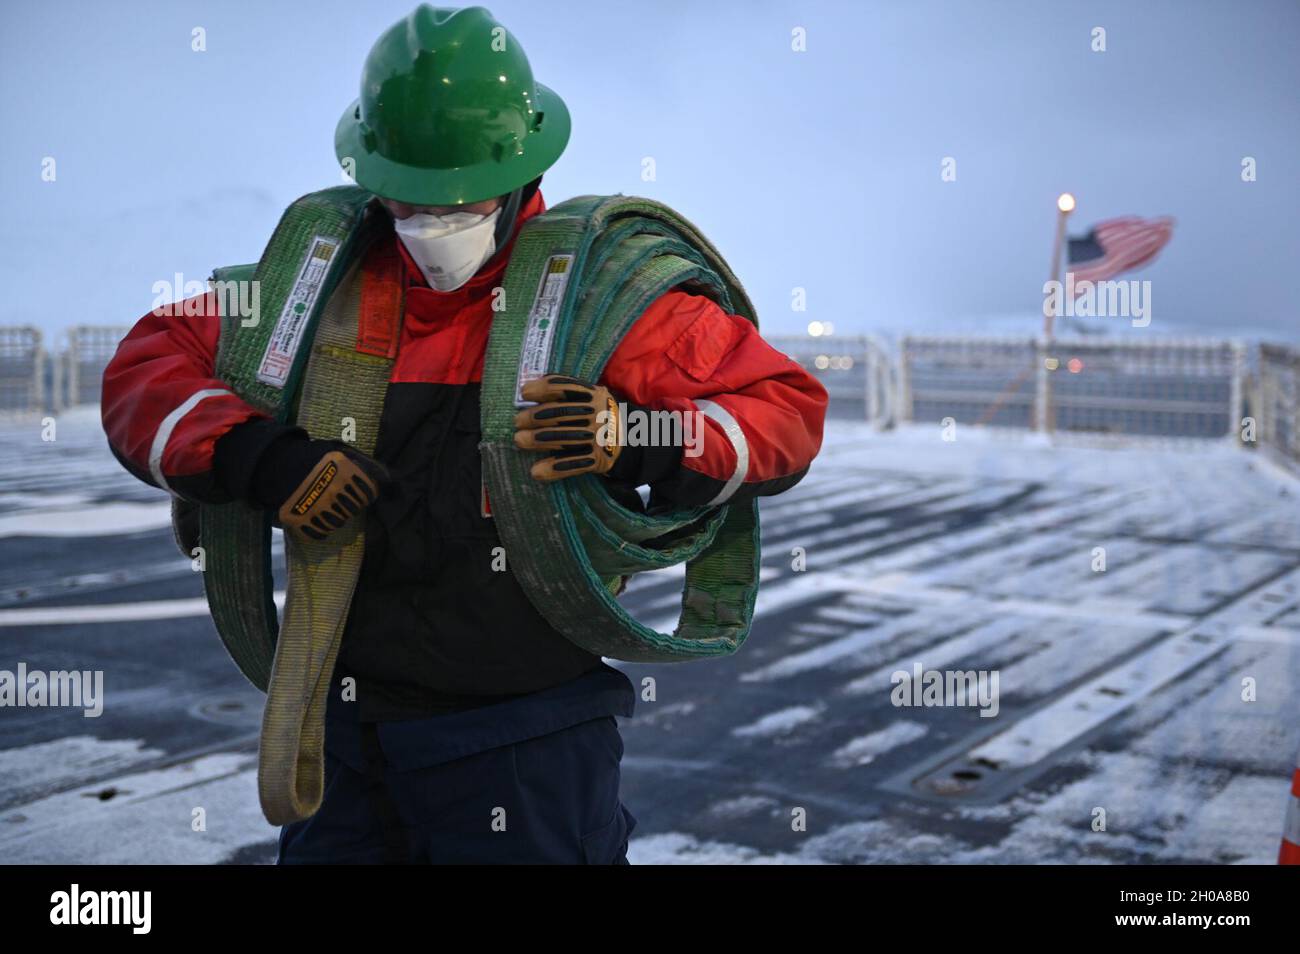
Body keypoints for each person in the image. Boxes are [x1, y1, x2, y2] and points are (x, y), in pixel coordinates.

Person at [101, 4, 827, 864]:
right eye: (409, 193)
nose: (433, 217)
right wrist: (257, 457)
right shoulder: (314, 289)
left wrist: (638, 437)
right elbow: (146, 366)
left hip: (527, 736)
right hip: (345, 725)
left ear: (518, 170)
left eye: (459, 195)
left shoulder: (606, 300)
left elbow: (786, 410)